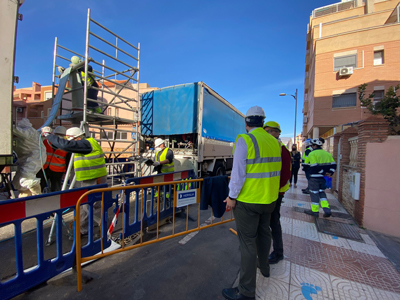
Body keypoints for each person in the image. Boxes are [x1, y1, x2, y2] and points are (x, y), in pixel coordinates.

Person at [222, 106, 282, 300]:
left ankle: (246, 292)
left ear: (246, 122)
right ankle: (264, 268)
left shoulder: (245, 140)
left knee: (247, 244)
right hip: (270, 199)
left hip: (248, 201)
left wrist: (231, 197)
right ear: (263, 122)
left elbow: (238, 174)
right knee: (265, 234)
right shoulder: (275, 142)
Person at [42, 127, 107, 234]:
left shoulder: (86, 143)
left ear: (75, 138)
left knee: (89, 206)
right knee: (83, 205)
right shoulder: (84, 144)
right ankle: (82, 230)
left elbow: (65, 145)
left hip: (95, 178)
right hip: (88, 178)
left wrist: (48, 135)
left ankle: (103, 224)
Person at [263, 121, 291, 265]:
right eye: (265, 131)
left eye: (270, 131)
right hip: (266, 192)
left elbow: (286, 173)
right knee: (264, 222)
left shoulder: (282, 149)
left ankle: (278, 252)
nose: (268, 134)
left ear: (278, 133)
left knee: (273, 221)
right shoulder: (268, 146)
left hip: (277, 193)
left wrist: (274, 188)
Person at [303, 138, 336, 218]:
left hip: (314, 178)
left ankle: (315, 211)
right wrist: (330, 173)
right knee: (322, 192)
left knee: (314, 193)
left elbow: (314, 166)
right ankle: (327, 210)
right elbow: (334, 165)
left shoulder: (312, 154)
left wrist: (323, 172)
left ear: (314, 145)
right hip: (324, 178)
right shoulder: (327, 154)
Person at [37, 126, 69, 192]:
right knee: (41, 187)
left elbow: (68, 159)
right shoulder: (46, 141)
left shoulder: (46, 141)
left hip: (53, 170)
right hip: (47, 169)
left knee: (41, 187)